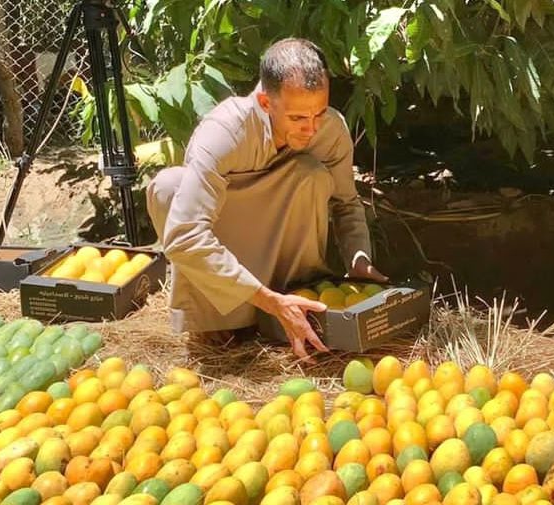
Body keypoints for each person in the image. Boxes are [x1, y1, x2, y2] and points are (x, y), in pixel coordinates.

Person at [146, 38, 387, 362]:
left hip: (284, 253)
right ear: (264, 102)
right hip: (229, 228)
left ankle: (295, 303)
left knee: (311, 173)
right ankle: (219, 317)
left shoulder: (330, 130)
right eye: (298, 118)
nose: (311, 129)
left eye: (318, 113)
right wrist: (266, 299)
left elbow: (346, 203)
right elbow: (185, 234)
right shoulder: (224, 131)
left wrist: (358, 258)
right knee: (169, 188)